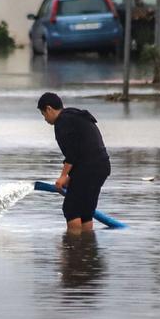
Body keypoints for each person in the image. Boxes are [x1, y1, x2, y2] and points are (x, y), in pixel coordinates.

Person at [37, 92, 111, 232]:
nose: (45, 119)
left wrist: (63, 176)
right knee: (86, 211)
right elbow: (84, 149)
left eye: (43, 114)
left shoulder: (62, 122)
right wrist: (72, 177)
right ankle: (87, 247)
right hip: (102, 166)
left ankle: (74, 248)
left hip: (89, 167)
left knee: (71, 209)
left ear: (49, 109)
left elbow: (72, 153)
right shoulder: (74, 115)